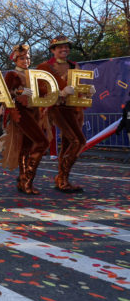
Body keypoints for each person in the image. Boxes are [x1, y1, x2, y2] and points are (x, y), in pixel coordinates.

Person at [36, 35, 95, 192]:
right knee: (78, 141)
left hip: (74, 110)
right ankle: (61, 178)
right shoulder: (44, 67)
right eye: (60, 47)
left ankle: (63, 179)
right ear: (53, 50)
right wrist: (60, 93)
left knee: (68, 144)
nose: (64, 49)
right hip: (57, 108)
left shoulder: (74, 66)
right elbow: (40, 90)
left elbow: (78, 89)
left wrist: (87, 92)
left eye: (66, 47)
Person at [0, 44, 49, 194]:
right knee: (42, 142)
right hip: (21, 112)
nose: (25, 60)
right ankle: (27, 180)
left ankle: (22, 180)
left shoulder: (34, 74)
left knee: (27, 146)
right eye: (21, 58)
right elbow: (5, 92)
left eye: (27, 58)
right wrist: (19, 91)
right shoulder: (12, 75)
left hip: (35, 112)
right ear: (15, 60)